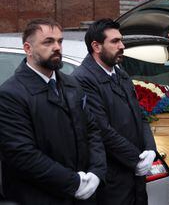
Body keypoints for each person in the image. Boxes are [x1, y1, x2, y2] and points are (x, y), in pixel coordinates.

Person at [0, 19, 106, 204]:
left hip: (85, 194)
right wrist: (74, 183)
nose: (57, 47)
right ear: (28, 48)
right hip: (40, 197)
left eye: (60, 41)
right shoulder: (11, 94)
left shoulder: (72, 84)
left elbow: (92, 130)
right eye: (48, 42)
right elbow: (22, 154)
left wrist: (97, 172)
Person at [72, 19, 157, 205]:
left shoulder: (120, 73)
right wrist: (136, 159)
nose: (122, 46)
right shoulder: (82, 80)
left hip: (135, 176)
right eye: (115, 41)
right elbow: (102, 129)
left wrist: (151, 149)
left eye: (121, 40)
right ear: (96, 46)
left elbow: (140, 114)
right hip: (112, 179)